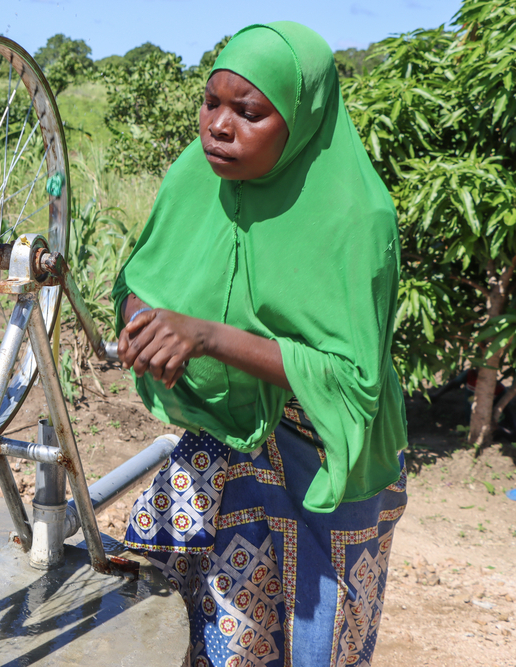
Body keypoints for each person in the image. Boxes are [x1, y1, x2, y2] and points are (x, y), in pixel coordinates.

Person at [113, 22, 407, 667]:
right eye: (211, 103)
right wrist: (145, 320)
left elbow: (353, 381)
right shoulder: (197, 175)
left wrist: (208, 336)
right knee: (207, 633)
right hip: (225, 437)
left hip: (320, 454)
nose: (219, 126)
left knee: (312, 639)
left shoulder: (356, 220)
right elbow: (140, 277)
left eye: (249, 113)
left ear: (302, 122)